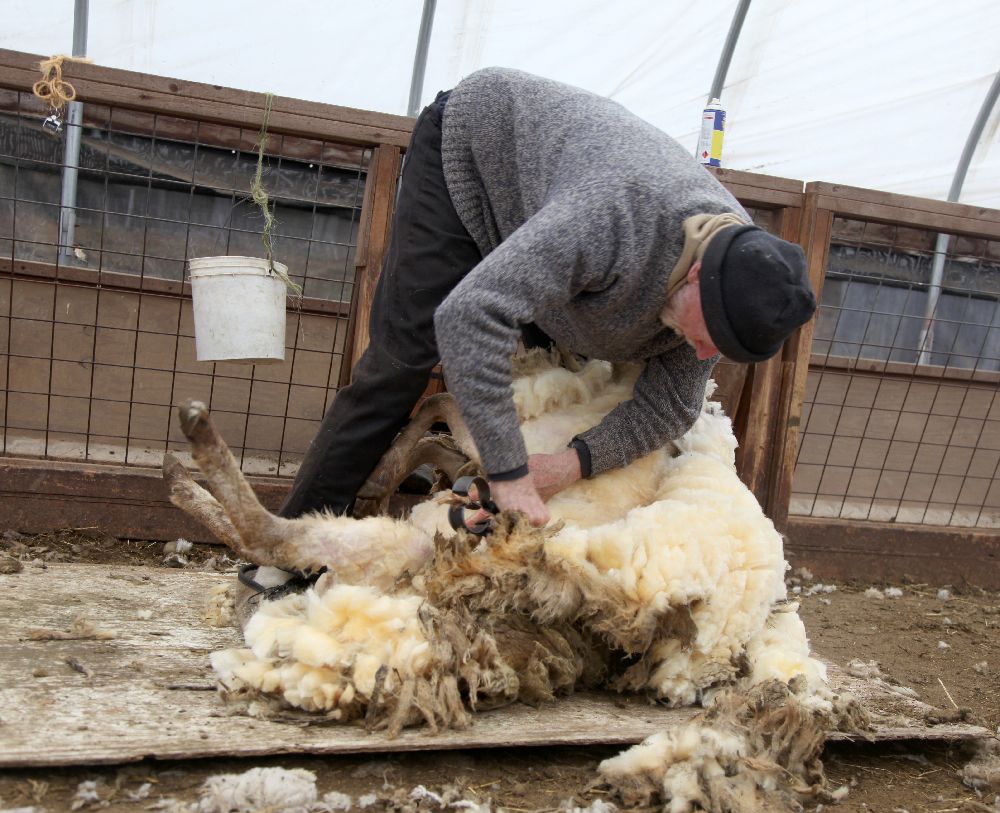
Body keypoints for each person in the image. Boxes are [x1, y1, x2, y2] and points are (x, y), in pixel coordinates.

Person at [277, 68, 817, 528]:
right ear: (697, 275)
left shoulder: (742, 279)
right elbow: (470, 316)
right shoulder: (613, 216)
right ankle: (289, 551)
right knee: (402, 359)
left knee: (559, 376)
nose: (705, 354)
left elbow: (672, 403)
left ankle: (464, 516)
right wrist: (511, 474)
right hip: (472, 154)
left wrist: (569, 464)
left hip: (556, 224)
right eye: (712, 337)